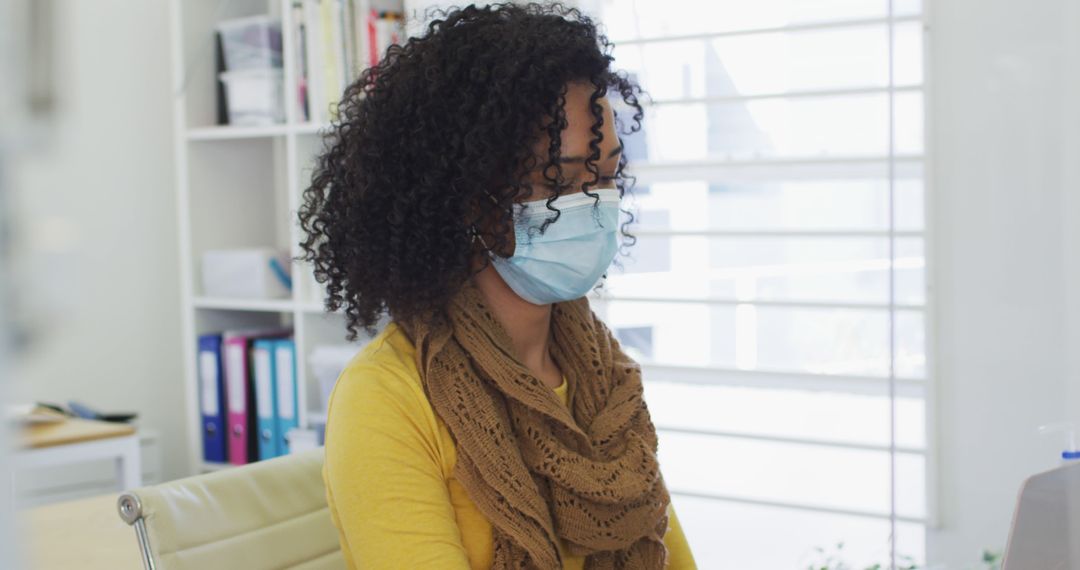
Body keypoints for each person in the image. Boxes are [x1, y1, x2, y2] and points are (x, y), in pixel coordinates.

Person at [297, 2, 697, 568]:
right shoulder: (387, 398)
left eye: (605, 176)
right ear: (467, 198)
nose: (596, 203)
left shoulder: (606, 377)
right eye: (557, 179)